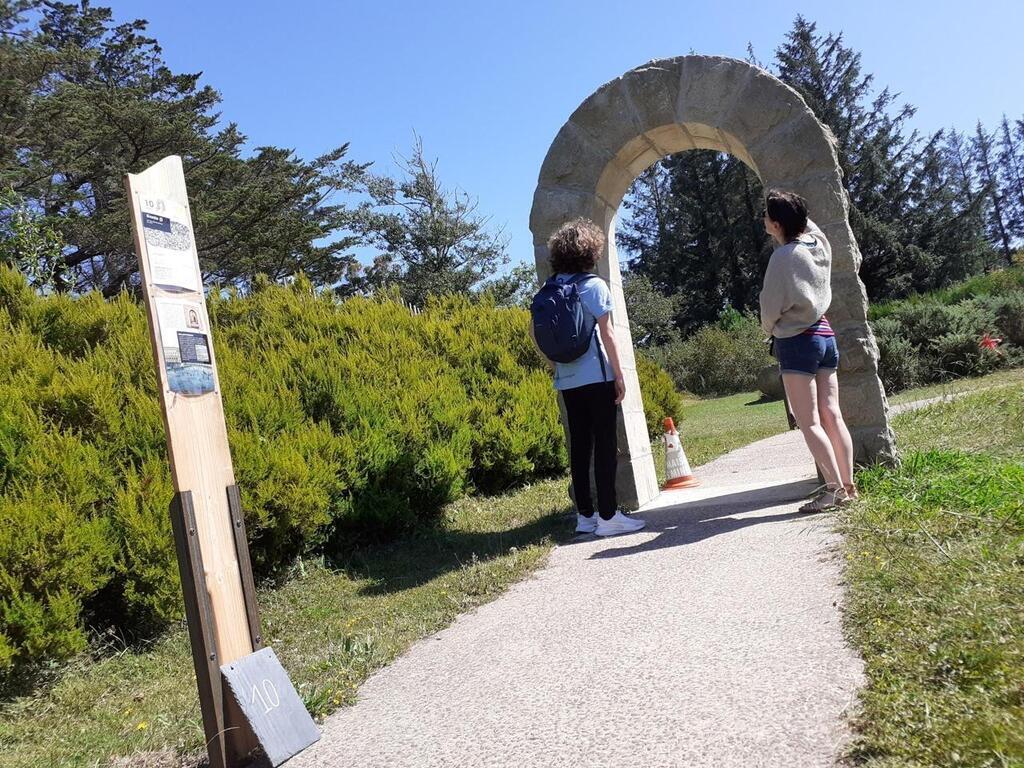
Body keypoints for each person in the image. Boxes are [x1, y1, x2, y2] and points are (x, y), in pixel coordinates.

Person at [530, 218, 646, 536]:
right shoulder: (593, 286)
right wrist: (619, 376)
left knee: (580, 448)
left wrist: (554, 366)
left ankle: (585, 517)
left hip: (567, 382)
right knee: (606, 445)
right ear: (590, 252)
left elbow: (534, 335)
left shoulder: (548, 291)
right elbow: (608, 335)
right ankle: (609, 517)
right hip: (597, 378)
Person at [759, 190, 857, 512]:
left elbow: (770, 306)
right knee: (833, 414)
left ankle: (832, 490)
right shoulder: (819, 244)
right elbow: (807, 224)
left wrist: (770, 329)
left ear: (775, 224)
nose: (763, 221)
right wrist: (790, 206)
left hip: (797, 341)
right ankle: (849, 487)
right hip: (825, 335)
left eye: (767, 216)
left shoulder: (784, 257)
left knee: (809, 421)